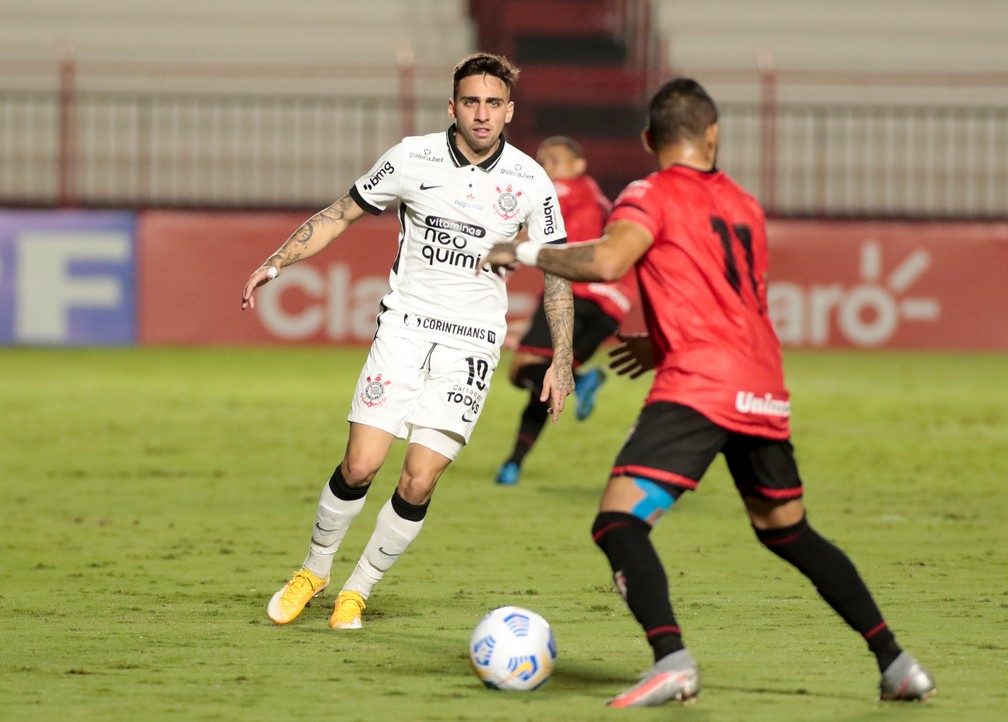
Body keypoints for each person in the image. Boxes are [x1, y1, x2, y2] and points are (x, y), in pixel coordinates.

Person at [482, 78, 935, 706]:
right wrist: (660, 343)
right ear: (713, 135)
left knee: (618, 522)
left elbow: (610, 263)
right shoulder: (745, 203)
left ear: (649, 140)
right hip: (763, 386)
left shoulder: (650, 193)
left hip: (700, 387)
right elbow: (729, 302)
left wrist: (523, 249)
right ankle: (898, 663)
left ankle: (672, 659)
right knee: (787, 531)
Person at [241, 52, 574, 630]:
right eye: (471, 101)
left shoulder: (530, 181)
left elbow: (557, 271)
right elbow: (342, 212)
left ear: (510, 111)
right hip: (405, 328)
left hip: (472, 345)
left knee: (419, 478)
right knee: (361, 464)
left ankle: (358, 589)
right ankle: (314, 569)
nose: (481, 113)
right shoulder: (411, 157)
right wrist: (279, 260)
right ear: (452, 106)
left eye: (493, 103)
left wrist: (562, 359)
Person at [495, 136, 636, 486]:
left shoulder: (565, 189)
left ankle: (587, 379)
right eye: (543, 160)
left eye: (555, 160)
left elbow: (529, 228)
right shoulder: (599, 200)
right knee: (546, 383)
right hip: (612, 306)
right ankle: (513, 463)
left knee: (522, 370)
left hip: (574, 292)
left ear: (579, 166)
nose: (547, 167)